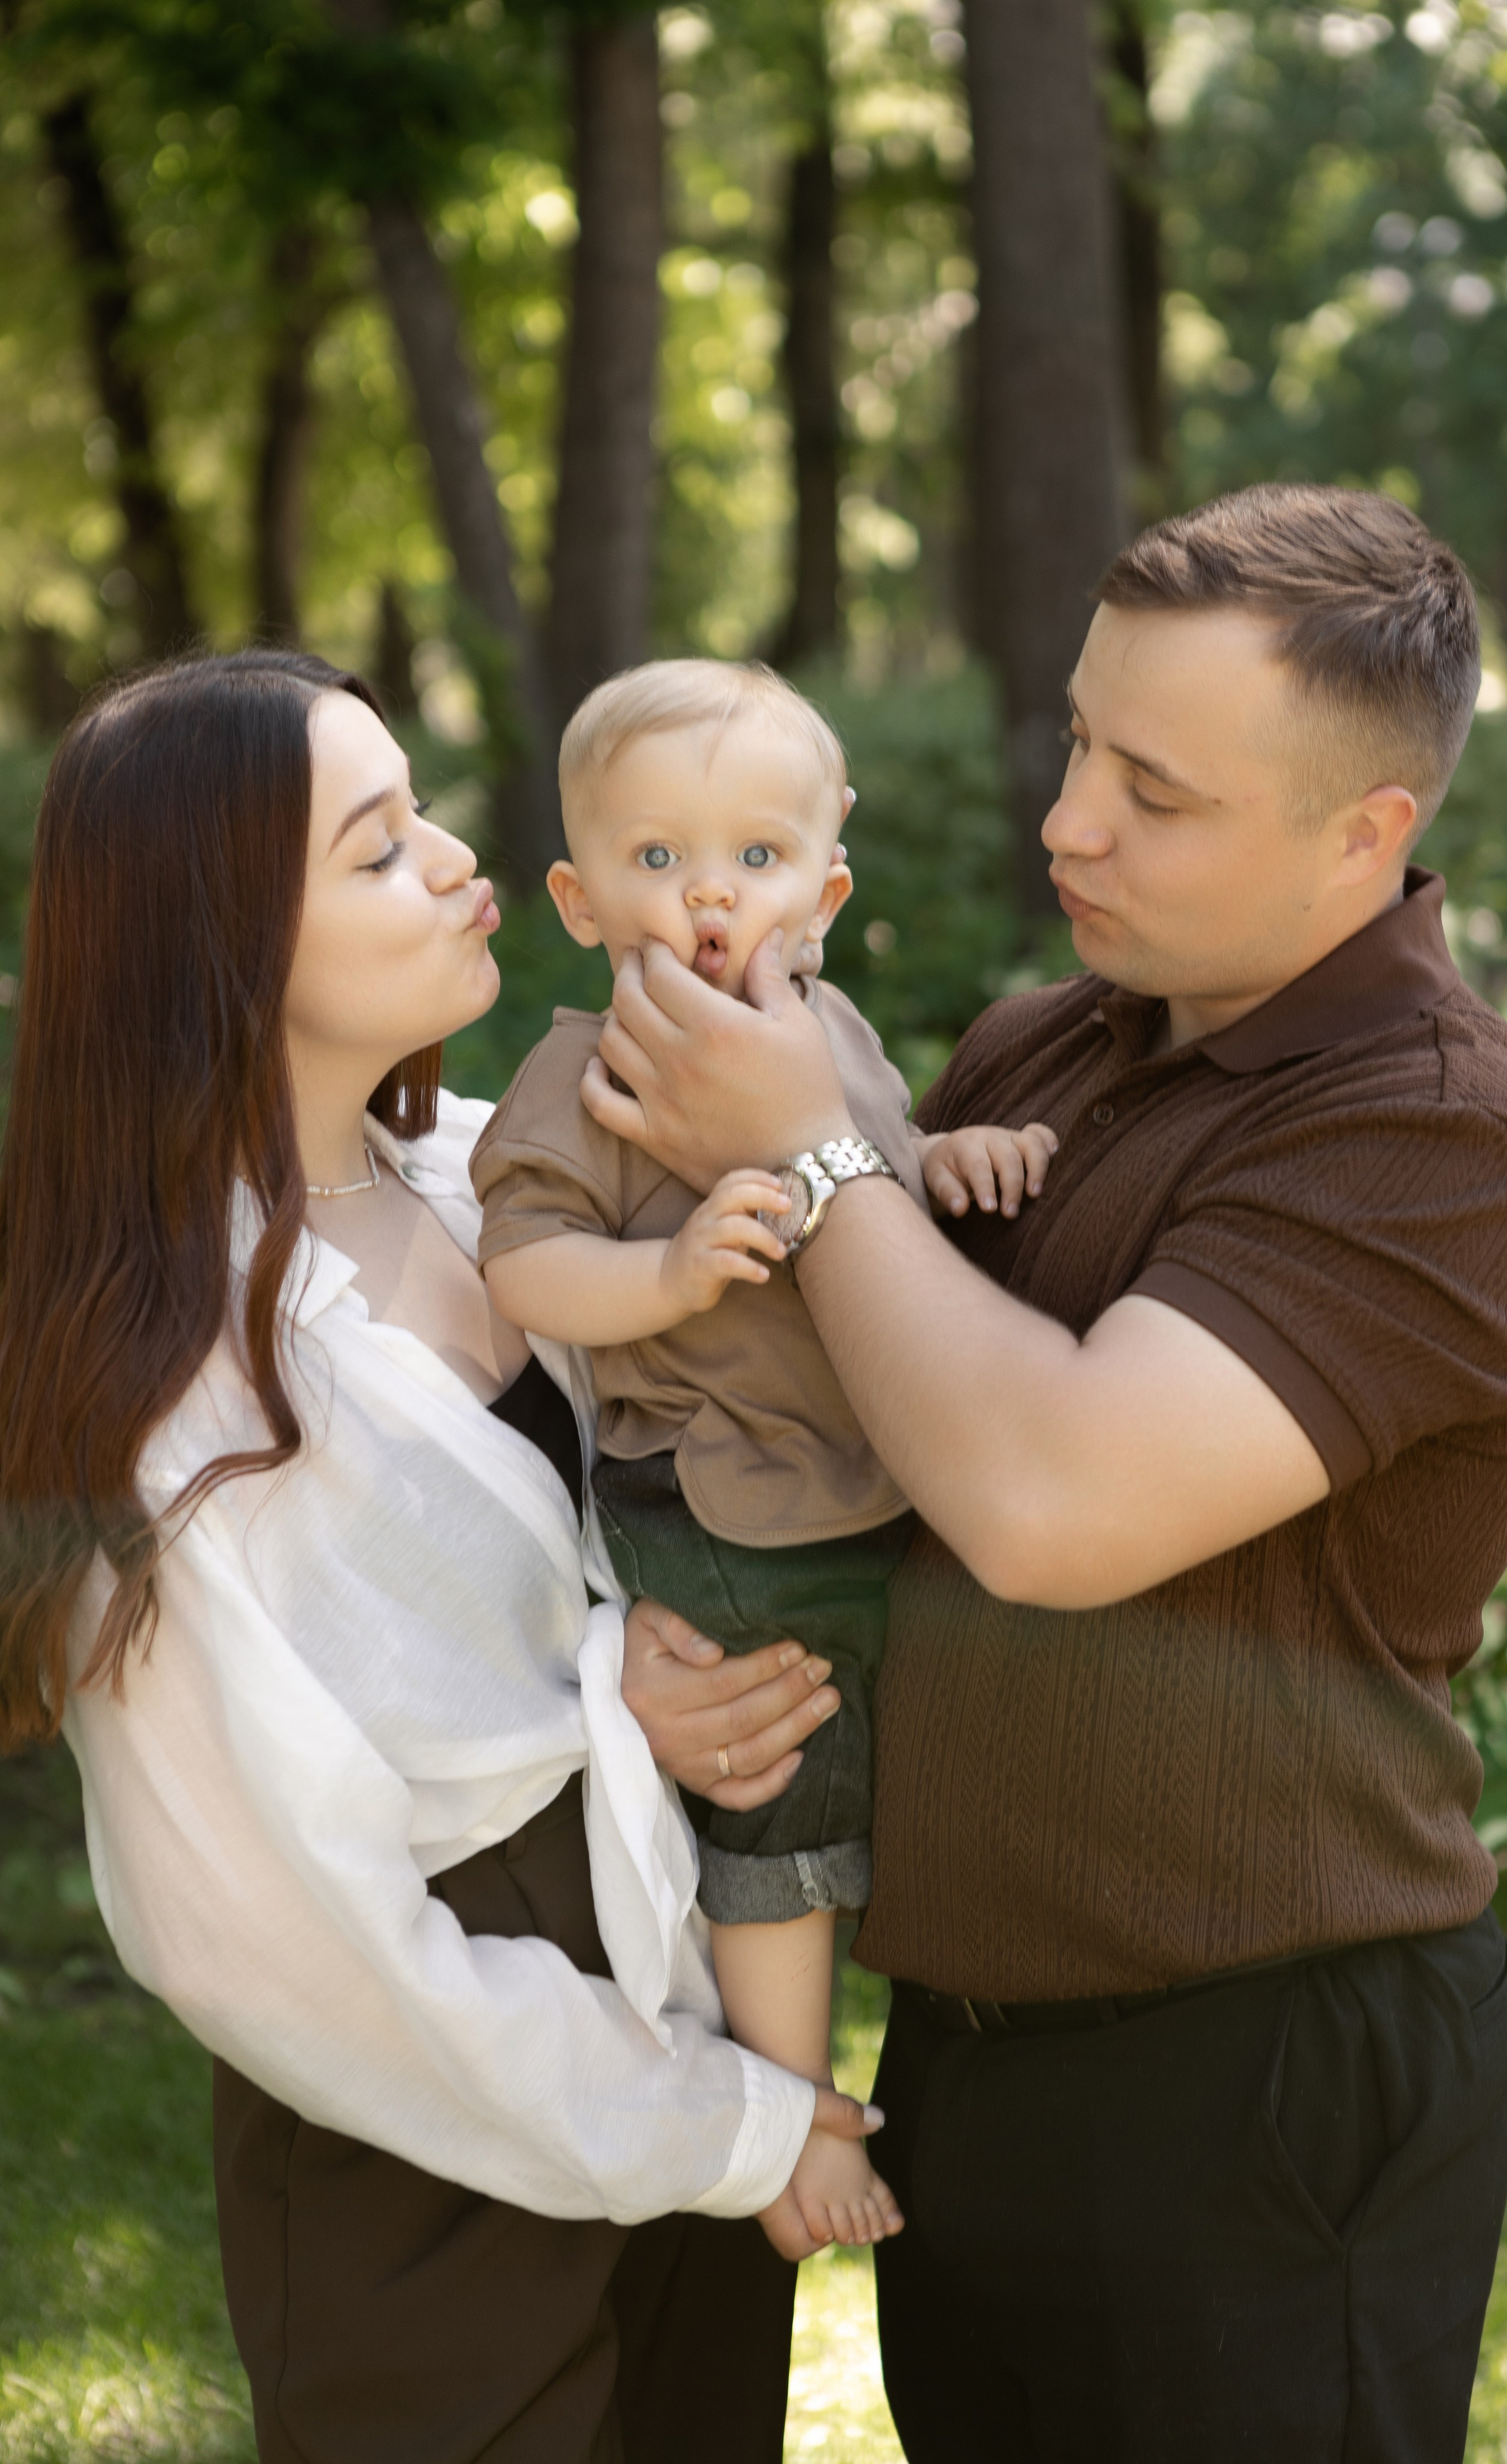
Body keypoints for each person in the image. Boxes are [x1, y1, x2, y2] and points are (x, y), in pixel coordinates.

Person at [569, 485, 1507, 2462]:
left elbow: (1051, 1509)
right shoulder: (1037, 1054)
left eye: (1157, 790)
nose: (1068, 823)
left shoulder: (1453, 1137)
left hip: (1260, 2074)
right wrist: (652, 1657)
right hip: (975, 2059)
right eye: (1076, 743)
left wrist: (811, 1152)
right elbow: (822, 1441)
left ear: (1366, 831)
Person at [0, 649, 885, 2464]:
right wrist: (716, 2120)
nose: (461, 859)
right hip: (434, 2134)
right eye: (381, 846)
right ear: (226, 942)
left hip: (679, 2026)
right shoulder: (161, 1385)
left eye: (422, 813)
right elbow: (265, 1938)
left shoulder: (495, 1177)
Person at [469, 656, 1053, 2252]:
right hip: (725, 1505)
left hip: (853, 1490)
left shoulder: (827, 1030)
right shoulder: (590, 1073)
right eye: (658, 858)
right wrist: (665, 1275)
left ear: (825, 891)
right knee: (781, 1802)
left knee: (863, 1771)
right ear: (580, 900)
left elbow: (861, 1170)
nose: (709, 896)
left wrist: (945, 1160)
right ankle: (789, 2117)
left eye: (754, 856)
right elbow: (524, 1266)